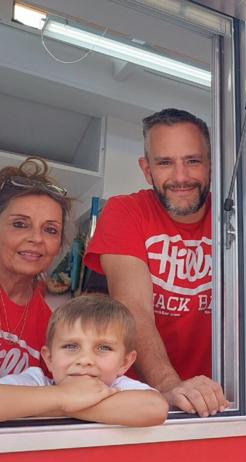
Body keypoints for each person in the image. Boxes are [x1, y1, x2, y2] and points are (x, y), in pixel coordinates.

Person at [84, 108, 228, 416]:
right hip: (144, 400)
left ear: (211, 165)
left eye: (193, 161)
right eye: (165, 163)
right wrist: (171, 386)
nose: (181, 177)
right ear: (147, 169)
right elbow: (133, 308)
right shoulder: (125, 211)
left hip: (221, 402)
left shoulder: (236, 218)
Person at [0, 294, 168, 427]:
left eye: (103, 348)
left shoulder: (118, 387)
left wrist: (50, 406)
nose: (85, 359)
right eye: (71, 346)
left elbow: (154, 408)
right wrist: (62, 397)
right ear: (48, 358)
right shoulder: (36, 381)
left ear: (125, 363)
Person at [0, 157, 71, 385]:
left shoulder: (52, 325)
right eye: (20, 224)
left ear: (58, 245)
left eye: (50, 230)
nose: (36, 239)